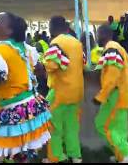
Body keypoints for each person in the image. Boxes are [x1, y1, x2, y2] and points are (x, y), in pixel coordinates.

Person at [0, 12, 51, 163]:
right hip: (32, 105)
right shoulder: (26, 48)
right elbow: (40, 69)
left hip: (15, 109)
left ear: (9, 30)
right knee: (22, 152)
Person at [93, 24, 128, 163]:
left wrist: (101, 96)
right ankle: (121, 155)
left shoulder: (112, 49)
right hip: (123, 94)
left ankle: (126, 153)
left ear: (103, 35)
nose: (96, 38)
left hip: (115, 95)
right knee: (119, 129)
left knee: (103, 125)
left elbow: (112, 76)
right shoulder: (114, 48)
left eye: (98, 34)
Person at [42, 16, 84, 163]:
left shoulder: (56, 43)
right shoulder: (77, 42)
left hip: (59, 91)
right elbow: (82, 63)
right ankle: (75, 156)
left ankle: (56, 157)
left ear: (53, 27)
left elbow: (52, 65)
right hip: (77, 91)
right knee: (72, 126)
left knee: (53, 126)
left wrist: (41, 64)